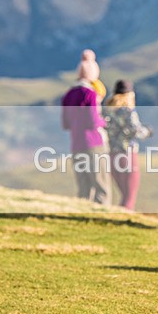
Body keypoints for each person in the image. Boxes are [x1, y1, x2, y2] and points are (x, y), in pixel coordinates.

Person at [61, 50, 111, 205]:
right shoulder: (90, 94)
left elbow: (65, 123)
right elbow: (93, 121)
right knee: (101, 184)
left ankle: (81, 213)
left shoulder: (68, 95)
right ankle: (102, 216)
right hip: (94, 143)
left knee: (83, 186)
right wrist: (105, 122)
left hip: (76, 143)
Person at [104, 79, 151, 210]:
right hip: (127, 153)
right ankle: (123, 220)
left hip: (111, 154)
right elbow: (135, 130)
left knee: (123, 194)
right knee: (130, 195)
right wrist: (147, 132)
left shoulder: (107, 110)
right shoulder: (127, 111)